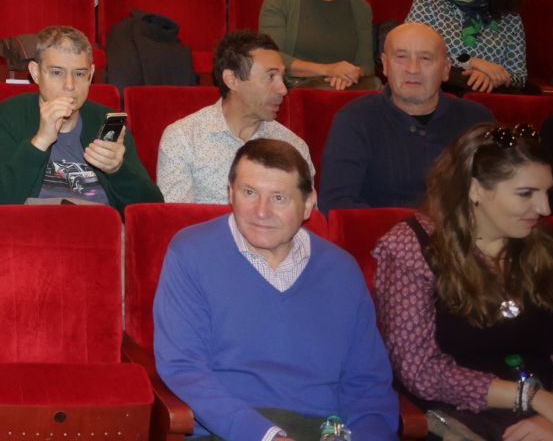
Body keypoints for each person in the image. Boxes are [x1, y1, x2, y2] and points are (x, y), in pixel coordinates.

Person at [154, 139, 401, 441]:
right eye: (249, 193)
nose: (261, 212)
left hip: (326, 431)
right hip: (231, 430)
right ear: (229, 192)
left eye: (279, 198)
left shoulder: (341, 270)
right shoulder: (192, 251)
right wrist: (267, 436)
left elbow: (368, 385)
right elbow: (183, 367)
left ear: (309, 202)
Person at [370, 123, 553, 436]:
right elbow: (418, 370)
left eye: (546, 192)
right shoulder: (412, 247)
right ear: (475, 190)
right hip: (460, 415)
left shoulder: (544, 247)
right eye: (526, 194)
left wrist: (551, 417)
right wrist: (531, 398)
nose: (544, 208)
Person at [317, 22, 494, 211]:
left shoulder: (476, 120)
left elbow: (498, 195)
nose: (413, 69)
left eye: (425, 58)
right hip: (382, 238)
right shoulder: (354, 120)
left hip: (463, 238)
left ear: (445, 69)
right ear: (385, 65)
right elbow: (337, 204)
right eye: (401, 57)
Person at [0, 24, 162, 206]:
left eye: (80, 74)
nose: (69, 85)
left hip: (99, 230)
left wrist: (118, 170)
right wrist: (40, 142)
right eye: (57, 72)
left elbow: (151, 208)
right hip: (34, 229)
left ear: (90, 75)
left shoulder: (105, 121)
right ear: (35, 73)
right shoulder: (9, 116)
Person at [157, 31, 309, 203]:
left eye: (282, 77)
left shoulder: (294, 147)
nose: (282, 89)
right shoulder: (183, 138)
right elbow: (177, 220)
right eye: (271, 76)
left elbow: (306, 220)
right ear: (232, 80)